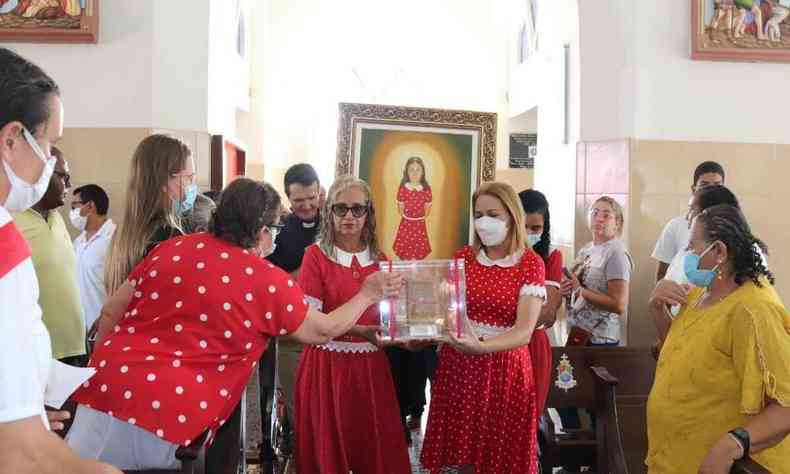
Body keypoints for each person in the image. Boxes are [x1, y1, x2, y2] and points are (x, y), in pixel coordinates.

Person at [65, 178, 401, 470]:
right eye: (276, 229)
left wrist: (101, 368)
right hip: (171, 411)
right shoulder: (266, 280)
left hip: (106, 388)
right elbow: (323, 329)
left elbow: (110, 312)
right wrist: (367, 294)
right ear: (261, 231)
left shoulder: (172, 249)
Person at [0, 46, 120, 474]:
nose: (51, 161)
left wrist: (21, 410)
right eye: (49, 143)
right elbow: (24, 454)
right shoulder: (4, 244)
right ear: (12, 140)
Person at [646, 205, 790, 473]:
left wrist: (733, 444)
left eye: (692, 247)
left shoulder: (753, 310)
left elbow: (785, 403)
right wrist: (658, 310)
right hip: (674, 458)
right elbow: (680, 356)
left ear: (720, 252)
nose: (686, 256)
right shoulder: (700, 293)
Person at [421, 181, 546, 473]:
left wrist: (482, 347)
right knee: (464, 454)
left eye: (493, 214)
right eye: (478, 215)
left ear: (512, 216)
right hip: (461, 367)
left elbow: (524, 331)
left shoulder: (530, 264)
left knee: (501, 455)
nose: (483, 222)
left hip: (505, 369)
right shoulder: (463, 258)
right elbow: (443, 308)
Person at [294, 175, 411, 473]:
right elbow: (311, 324)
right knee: (329, 448)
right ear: (329, 212)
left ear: (369, 213)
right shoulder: (315, 257)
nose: (349, 216)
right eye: (341, 209)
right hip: (326, 365)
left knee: (371, 447)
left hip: (370, 368)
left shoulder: (381, 258)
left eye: (357, 209)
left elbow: (392, 315)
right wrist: (361, 330)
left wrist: (410, 332)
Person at [654, 184, 769, 342]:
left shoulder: (749, 311)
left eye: (692, 210)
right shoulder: (699, 293)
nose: (687, 217)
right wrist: (658, 309)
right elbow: (680, 343)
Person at [264, 163, 322, 456]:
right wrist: (308, 270)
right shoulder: (281, 231)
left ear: (320, 192)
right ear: (289, 199)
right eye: (299, 200)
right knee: (300, 403)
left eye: (312, 197)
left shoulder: (336, 222)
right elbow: (269, 280)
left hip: (332, 328)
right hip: (293, 333)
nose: (307, 205)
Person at [14, 146, 86, 366]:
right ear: (40, 173)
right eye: (63, 176)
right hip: (37, 353)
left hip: (74, 347)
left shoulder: (57, 219)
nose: (69, 185)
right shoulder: (11, 220)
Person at [104, 134, 195, 296]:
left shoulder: (123, 234)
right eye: (189, 177)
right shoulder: (168, 235)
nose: (191, 185)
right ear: (165, 181)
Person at [561, 196, 631, 346]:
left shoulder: (615, 253)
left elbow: (619, 305)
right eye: (595, 213)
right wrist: (567, 287)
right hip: (578, 332)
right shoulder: (587, 249)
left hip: (600, 338)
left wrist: (580, 291)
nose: (599, 219)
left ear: (617, 223)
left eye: (606, 215)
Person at [519, 188, 563, 418]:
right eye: (523, 226)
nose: (528, 233)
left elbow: (547, 313)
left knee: (528, 418)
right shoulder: (496, 254)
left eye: (536, 228)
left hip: (533, 344)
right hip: (498, 345)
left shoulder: (551, 255)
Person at [652, 161, 725, 283]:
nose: (711, 191)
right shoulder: (676, 226)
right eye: (704, 185)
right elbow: (663, 274)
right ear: (693, 189)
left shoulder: (732, 229)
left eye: (717, 185)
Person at [71, 184, 115, 331]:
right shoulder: (78, 242)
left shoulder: (114, 239)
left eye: (75, 206)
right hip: (80, 331)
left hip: (104, 328)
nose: (72, 212)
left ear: (90, 206)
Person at [392, 156, 432, 260]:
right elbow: (400, 209)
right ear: (407, 172)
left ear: (423, 172)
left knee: (419, 250)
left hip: (419, 225)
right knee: (405, 249)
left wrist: (418, 217)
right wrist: (409, 217)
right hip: (406, 224)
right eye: (411, 170)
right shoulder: (403, 189)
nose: (415, 173)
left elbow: (427, 210)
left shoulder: (426, 190)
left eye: (418, 170)